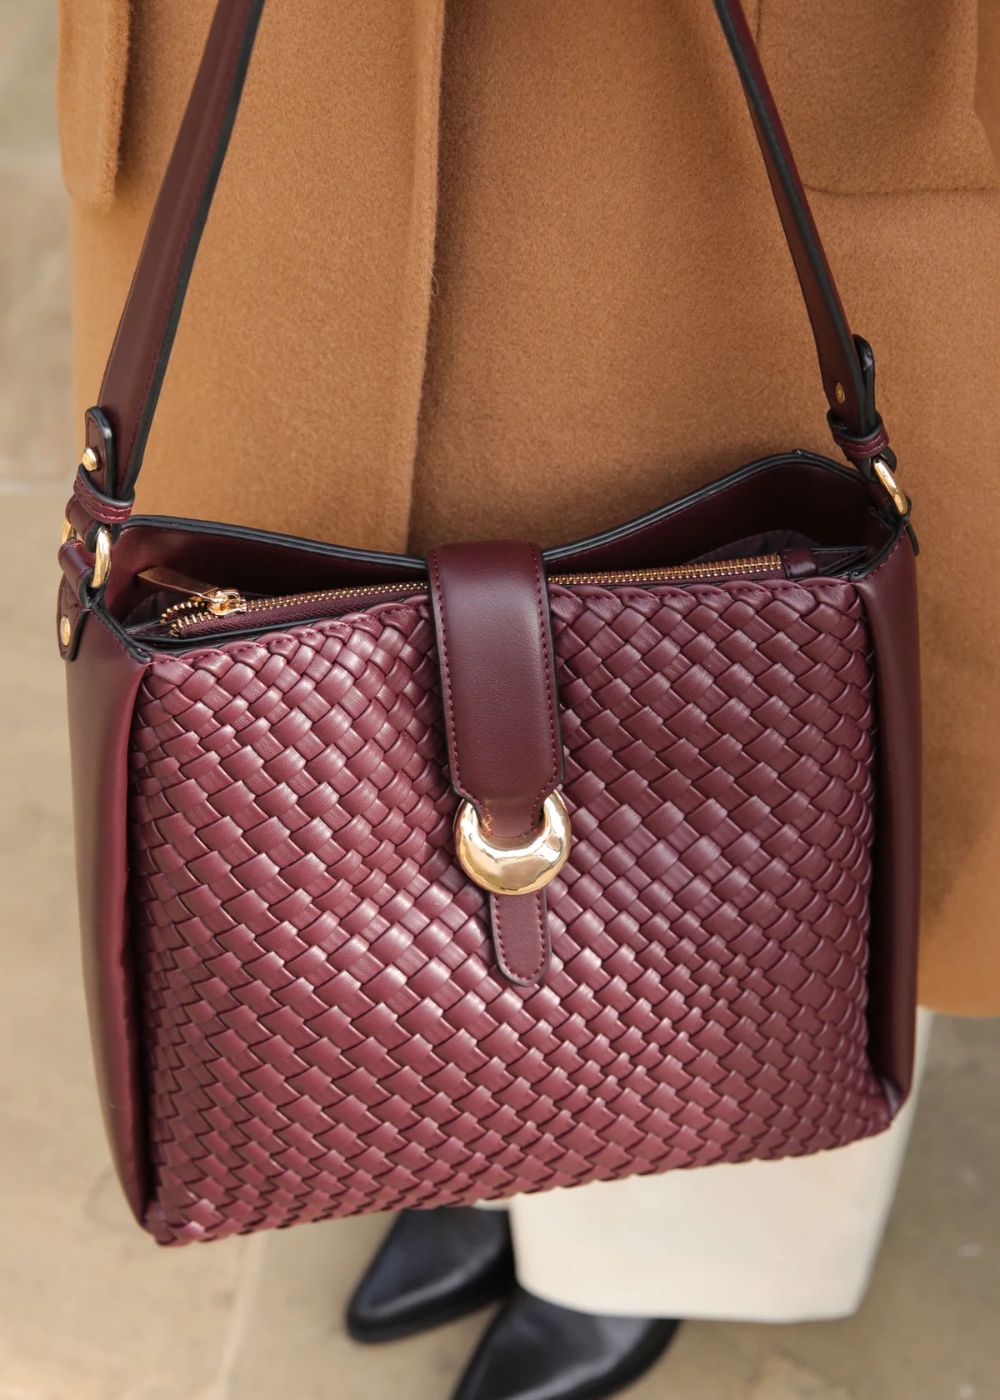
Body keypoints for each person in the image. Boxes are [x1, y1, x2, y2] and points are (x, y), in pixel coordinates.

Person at [58, 3, 999, 1397]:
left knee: (771, 763)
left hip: (705, 110)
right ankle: (442, 1123)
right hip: (292, 102)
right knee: (284, 596)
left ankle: (662, 1240)